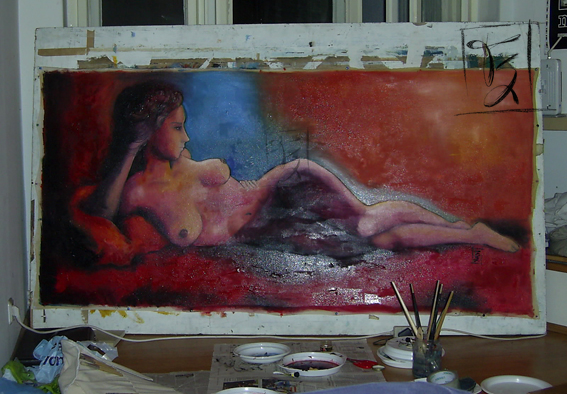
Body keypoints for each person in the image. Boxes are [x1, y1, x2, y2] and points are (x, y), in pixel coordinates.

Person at [77, 81, 520, 261]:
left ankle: (465, 231)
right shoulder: (138, 192)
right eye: (177, 127)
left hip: (284, 188)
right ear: (147, 131)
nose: (187, 136)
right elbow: (101, 209)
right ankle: (468, 232)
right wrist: (129, 145)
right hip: (271, 226)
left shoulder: (187, 162)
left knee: (367, 223)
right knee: (377, 237)